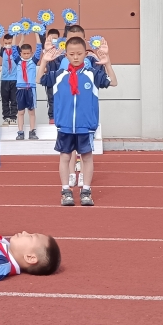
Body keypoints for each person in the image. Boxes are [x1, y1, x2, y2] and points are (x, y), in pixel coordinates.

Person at [38, 36, 116, 206]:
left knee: (87, 157)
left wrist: (107, 62)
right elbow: (39, 79)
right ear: (65, 55)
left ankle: (86, 190)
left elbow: (113, 82)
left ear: (85, 54)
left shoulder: (92, 74)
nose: (75, 57)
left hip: (85, 126)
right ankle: (66, 191)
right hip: (65, 125)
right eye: (72, 54)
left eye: (79, 54)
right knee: (65, 157)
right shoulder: (59, 75)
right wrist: (44, 61)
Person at [12, 33, 42, 141]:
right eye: (24, 53)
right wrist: (14, 34)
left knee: (31, 111)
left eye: (28, 53)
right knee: (20, 112)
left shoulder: (33, 61)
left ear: (31, 53)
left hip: (30, 89)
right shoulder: (18, 61)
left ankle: (32, 132)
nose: (26, 55)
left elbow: (39, 48)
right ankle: (20, 132)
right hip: (20, 89)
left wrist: (36, 33)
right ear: (20, 53)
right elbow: (13, 48)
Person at [0, 34, 17, 126]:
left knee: (14, 100)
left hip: (15, 79)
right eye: (6, 43)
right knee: (5, 100)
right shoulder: (2, 51)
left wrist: (17, 35)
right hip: (4, 79)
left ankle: (13, 117)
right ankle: (6, 117)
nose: (8, 45)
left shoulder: (16, 51)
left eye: (10, 43)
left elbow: (20, 42)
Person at [44, 28, 60, 125]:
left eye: (56, 38)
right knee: (51, 98)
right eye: (52, 38)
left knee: (61, 97)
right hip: (50, 78)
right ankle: (52, 118)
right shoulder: (46, 50)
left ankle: (60, 117)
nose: (54, 40)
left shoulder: (62, 49)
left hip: (60, 77)